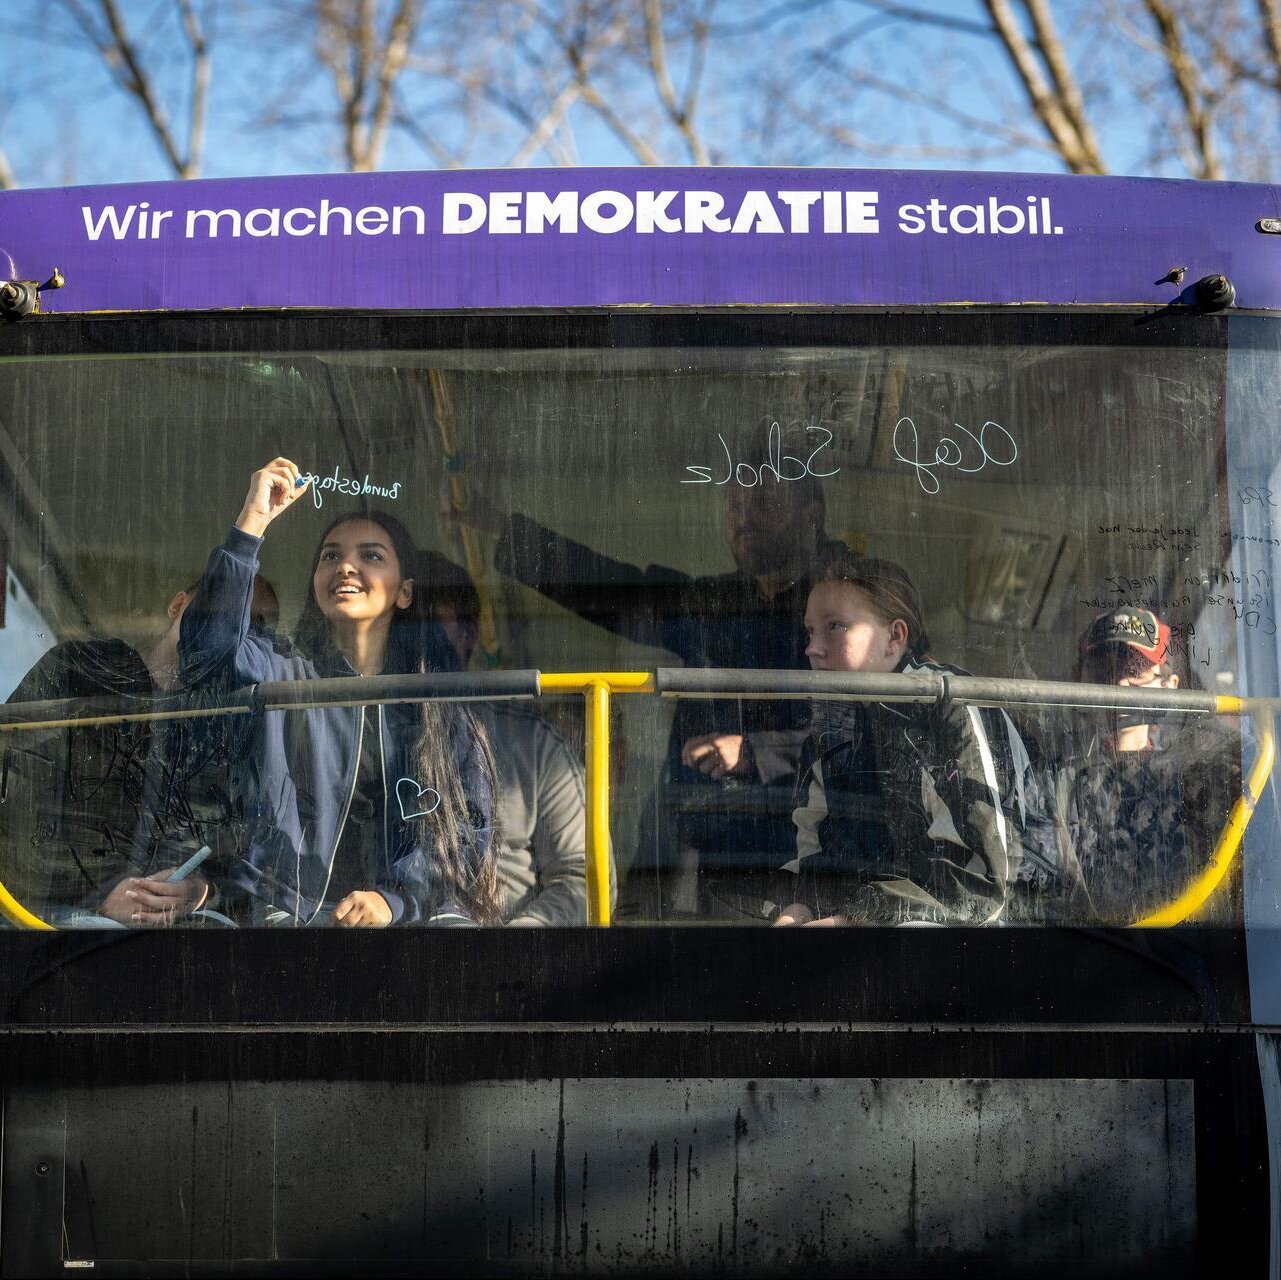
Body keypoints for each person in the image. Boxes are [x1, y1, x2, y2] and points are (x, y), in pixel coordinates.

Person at [455, 446, 845, 921]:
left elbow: (865, 729)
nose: (744, 519)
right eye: (734, 506)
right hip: (692, 845)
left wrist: (756, 751)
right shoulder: (713, 601)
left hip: (802, 853)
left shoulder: (847, 604)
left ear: (812, 515)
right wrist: (505, 531)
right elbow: (615, 588)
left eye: (763, 502)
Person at [179, 457, 499, 927]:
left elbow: (465, 830)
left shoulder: (437, 704)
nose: (345, 566)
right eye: (330, 556)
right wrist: (252, 522)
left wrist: (396, 901)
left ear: (405, 592)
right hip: (282, 923)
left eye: (370, 556)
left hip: (410, 932)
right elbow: (204, 651)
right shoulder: (280, 672)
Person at [0, 573, 279, 928]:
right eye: (222, 607)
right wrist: (98, 893)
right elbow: (14, 808)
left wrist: (202, 890)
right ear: (177, 606)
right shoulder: (81, 669)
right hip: (52, 914)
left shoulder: (237, 726)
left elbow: (250, 849)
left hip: (184, 927)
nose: (233, 629)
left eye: (255, 627)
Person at [773, 553, 1021, 926]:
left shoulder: (949, 707)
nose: (812, 648)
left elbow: (986, 883)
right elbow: (818, 847)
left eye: (835, 627)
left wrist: (857, 920)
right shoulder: (833, 720)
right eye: (810, 631)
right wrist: (797, 908)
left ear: (894, 637)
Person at [421, 549, 610, 925]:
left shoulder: (533, 743)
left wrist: (514, 944)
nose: (423, 643)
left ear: (470, 634)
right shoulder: (361, 730)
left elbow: (583, 877)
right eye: (410, 627)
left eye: (435, 626)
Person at [1019, 607, 1238, 923]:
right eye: (1102, 668)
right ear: (1077, 677)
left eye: (1135, 669)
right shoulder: (1046, 784)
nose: (1118, 685)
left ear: (1169, 686)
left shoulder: (1196, 783)